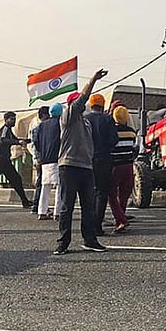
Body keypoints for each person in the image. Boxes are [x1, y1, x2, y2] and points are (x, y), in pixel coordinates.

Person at [54, 69, 110, 255]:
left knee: (88, 206)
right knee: (66, 206)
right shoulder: (67, 117)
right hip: (69, 166)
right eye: (79, 103)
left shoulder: (86, 122)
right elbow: (82, 99)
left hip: (86, 167)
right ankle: (63, 242)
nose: (83, 105)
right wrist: (93, 79)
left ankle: (90, 239)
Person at [85, 94, 118, 236]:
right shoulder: (107, 119)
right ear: (102, 105)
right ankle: (97, 226)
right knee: (102, 193)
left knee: (88, 193)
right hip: (104, 159)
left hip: (87, 159)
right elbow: (114, 139)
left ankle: (88, 225)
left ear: (91, 105)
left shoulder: (85, 119)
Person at [109, 105, 137, 233]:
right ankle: (120, 219)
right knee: (124, 195)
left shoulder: (111, 131)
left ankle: (121, 219)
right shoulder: (132, 132)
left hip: (115, 166)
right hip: (128, 166)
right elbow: (134, 149)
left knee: (112, 194)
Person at [35, 104, 62, 221]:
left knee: (45, 186)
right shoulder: (60, 123)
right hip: (57, 157)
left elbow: (36, 142)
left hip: (45, 159)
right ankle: (58, 212)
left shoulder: (41, 125)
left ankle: (42, 211)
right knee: (60, 186)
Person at [27, 106, 49, 214]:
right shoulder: (39, 127)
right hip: (40, 159)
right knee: (42, 183)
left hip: (39, 159)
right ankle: (37, 206)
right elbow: (35, 145)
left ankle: (37, 205)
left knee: (41, 182)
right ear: (44, 115)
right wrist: (38, 159)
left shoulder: (38, 127)